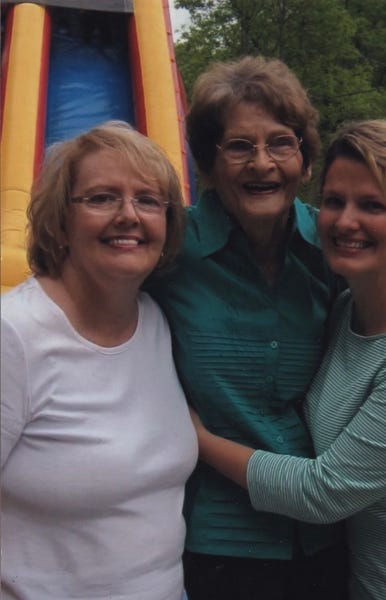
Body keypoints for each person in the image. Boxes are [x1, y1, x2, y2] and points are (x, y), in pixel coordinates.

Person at [147, 56, 386, 600]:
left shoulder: (334, 256)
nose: (262, 164)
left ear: (302, 158)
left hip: (338, 548)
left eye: (281, 142)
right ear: (209, 159)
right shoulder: (169, 253)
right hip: (223, 544)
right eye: (238, 146)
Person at [1, 121, 198, 600]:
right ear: (61, 220)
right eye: (101, 197)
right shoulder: (14, 336)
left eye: (148, 200)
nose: (128, 215)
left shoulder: (155, 321)